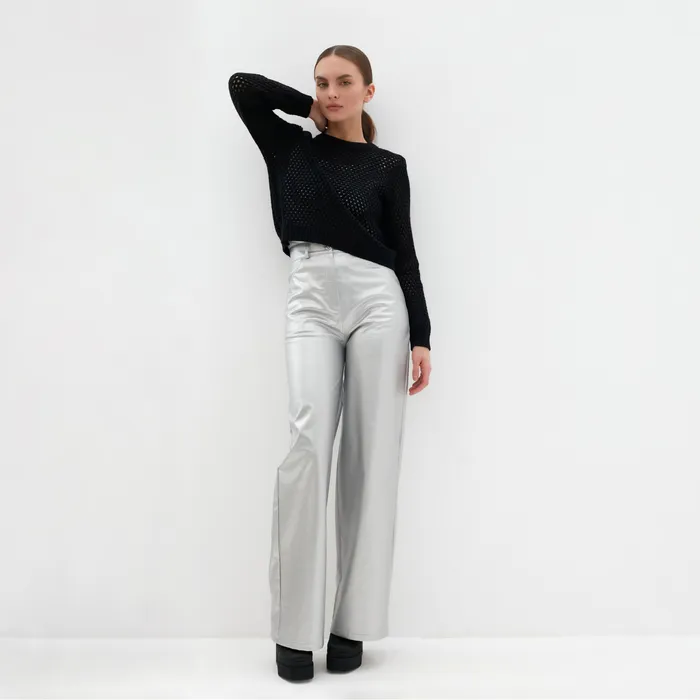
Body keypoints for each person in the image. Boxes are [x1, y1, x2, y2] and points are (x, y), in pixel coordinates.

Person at [228, 44, 432, 682]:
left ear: (369, 91)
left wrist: (422, 335)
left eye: (344, 82)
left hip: (379, 300)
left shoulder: (389, 166)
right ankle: (293, 631)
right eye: (322, 83)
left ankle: (352, 625)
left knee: (371, 457)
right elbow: (242, 86)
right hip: (310, 295)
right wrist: (308, 109)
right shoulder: (290, 147)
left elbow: (405, 250)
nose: (332, 92)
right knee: (308, 446)